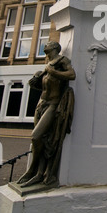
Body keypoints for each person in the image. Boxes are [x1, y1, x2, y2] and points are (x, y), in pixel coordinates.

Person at [17, 41, 75, 188]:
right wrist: (36, 79)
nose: (46, 45)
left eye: (49, 44)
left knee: (36, 136)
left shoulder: (62, 61)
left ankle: (33, 170)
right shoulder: (47, 64)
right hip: (41, 104)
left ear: (55, 48)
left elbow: (72, 74)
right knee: (40, 139)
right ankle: (38, 173)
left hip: (53, 104)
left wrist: (52, 72)